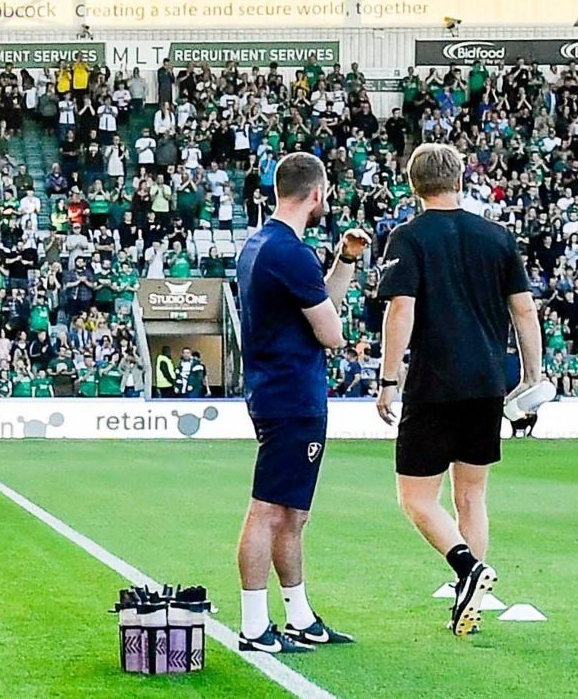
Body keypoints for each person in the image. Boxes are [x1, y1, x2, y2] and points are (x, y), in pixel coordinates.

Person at [375, 144, 544, 638]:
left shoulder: (408, 237)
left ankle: (467, 570)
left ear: (414, 185)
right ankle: (472, 589)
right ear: (460, 180)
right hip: (488, 381)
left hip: (435, 382)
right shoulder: (496, 236)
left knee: (416, 498)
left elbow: (400, 310)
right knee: (471, 495)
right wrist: (532, 375)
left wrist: (389, 378)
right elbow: (525, 309)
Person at [233, 151, 364, 655]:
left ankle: (300, 617)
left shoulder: (263, 245)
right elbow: (330, 331)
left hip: (276, 390)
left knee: (292, 514)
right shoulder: (289, 252)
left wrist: (344, 261)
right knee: (268, 510)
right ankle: (253, 624)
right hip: (291, 396)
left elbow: (317, 301)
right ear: (316, 193)